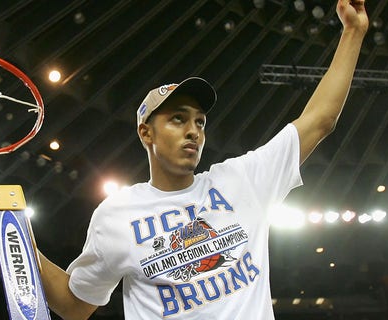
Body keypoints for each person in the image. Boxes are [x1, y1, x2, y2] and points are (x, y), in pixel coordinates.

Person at [37, 0, 369, 318]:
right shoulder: (117, 215)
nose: (194, 131)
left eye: (199, 121)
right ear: (146, 133)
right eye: (178, 119)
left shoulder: (243, 180)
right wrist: (13, 238)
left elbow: (320, 119)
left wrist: (352, 32)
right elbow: (75, 305)